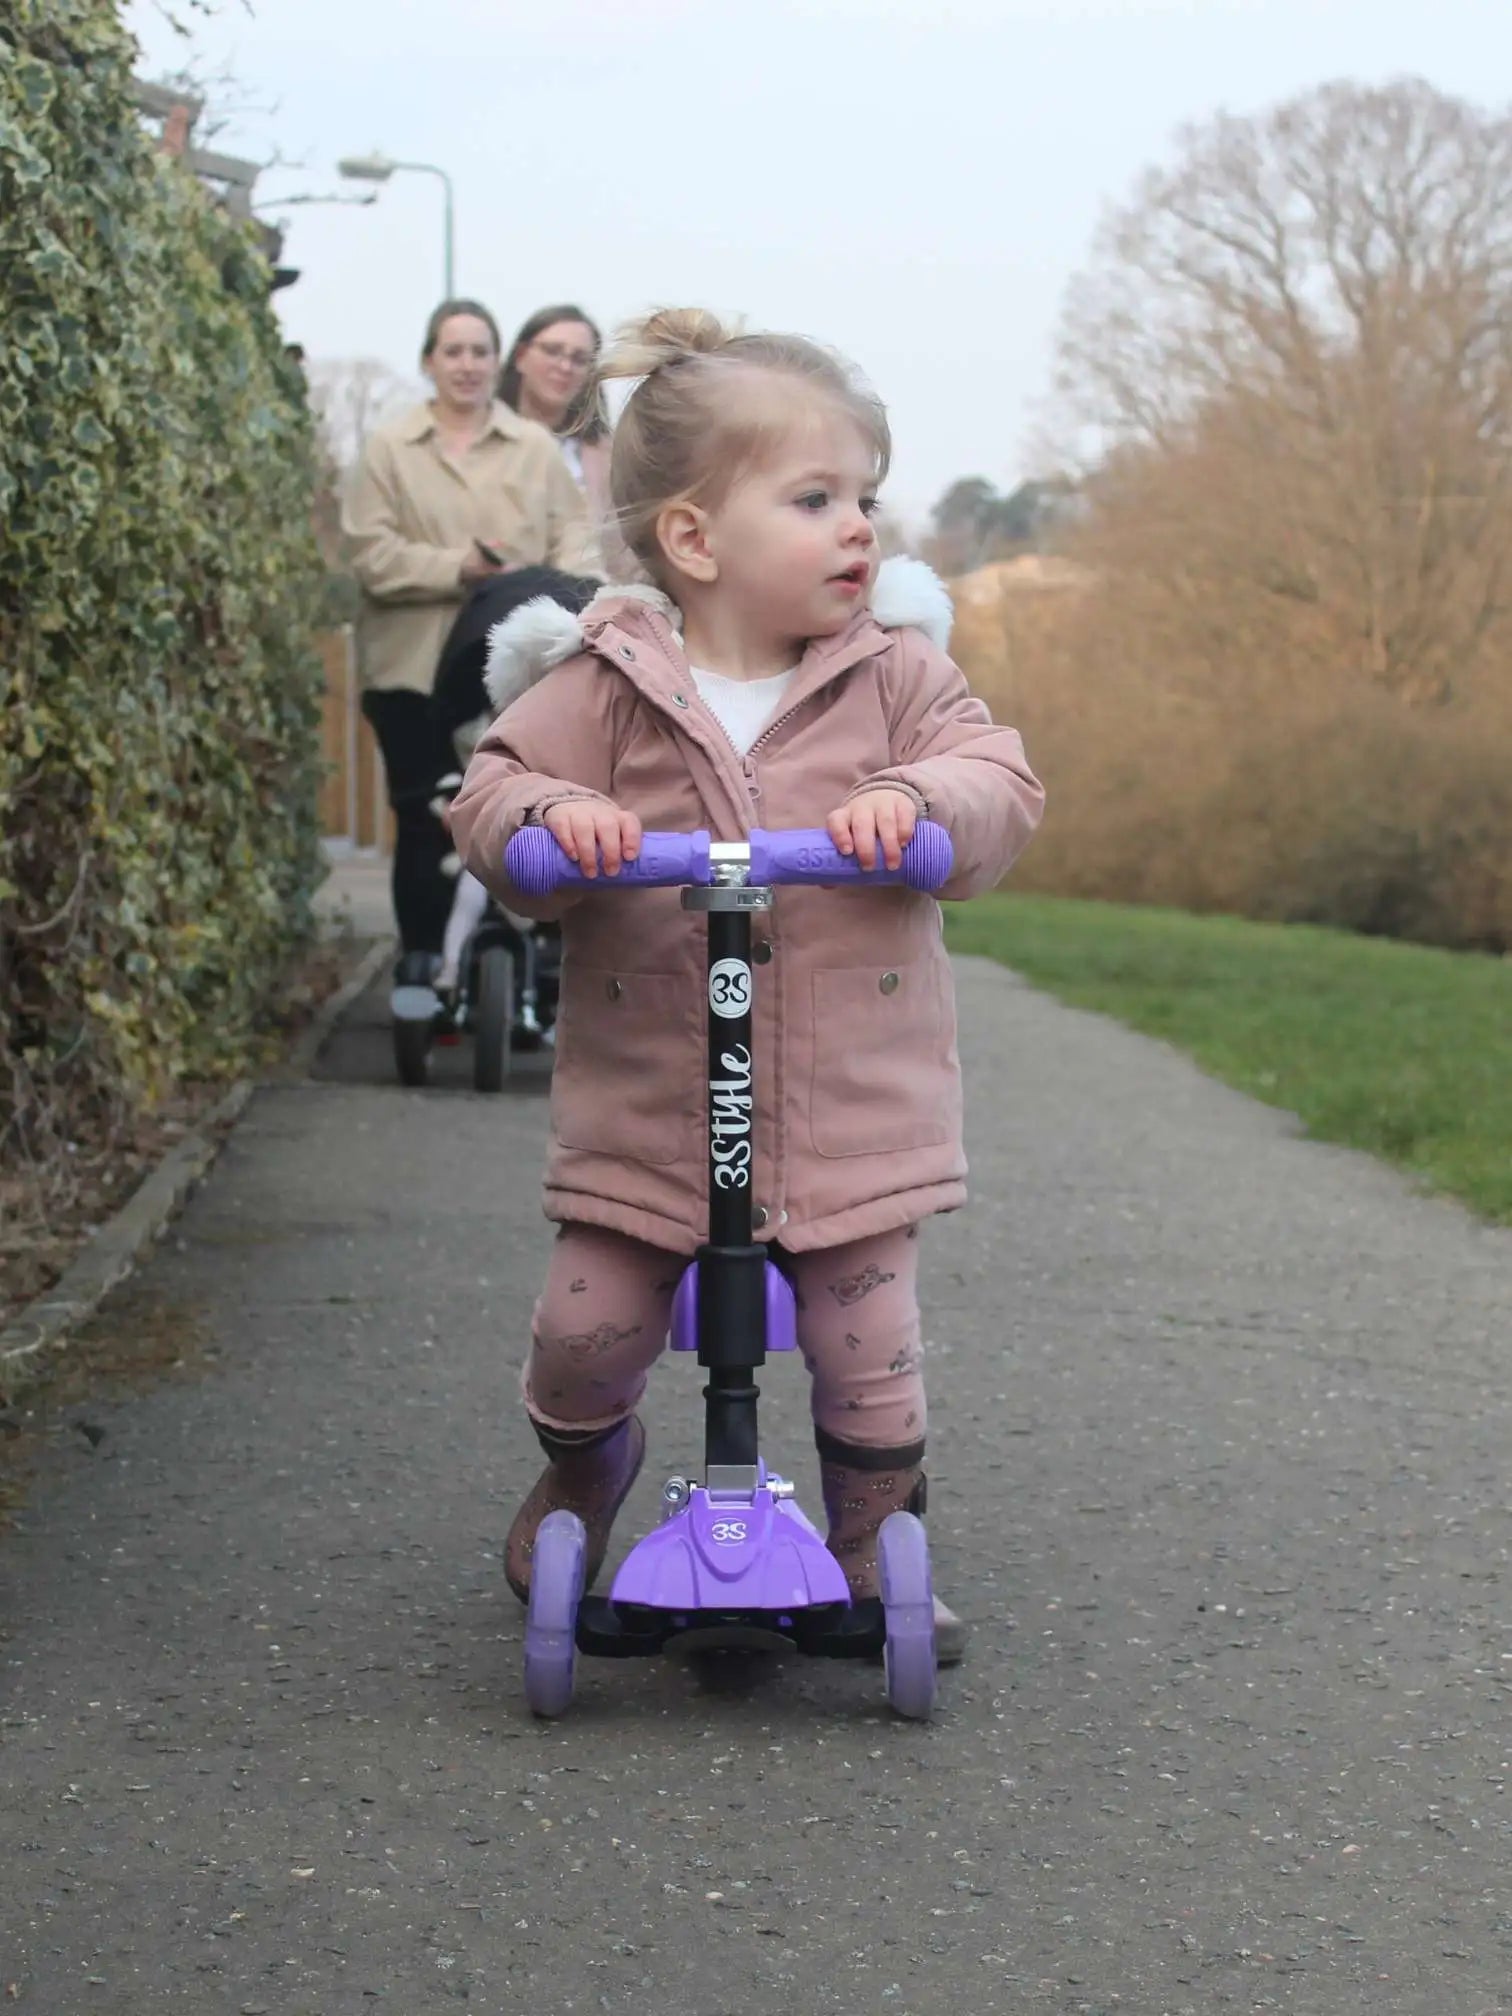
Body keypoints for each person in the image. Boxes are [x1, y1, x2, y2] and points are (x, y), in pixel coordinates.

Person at [448, 309, 1045, 1663]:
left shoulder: (898, 678)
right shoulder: (607, 684)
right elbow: (489, 791)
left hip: (849, 1114)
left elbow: (1000, 781)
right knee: (585, 1329)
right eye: (817, 498)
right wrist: (555, 815)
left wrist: (916, 797)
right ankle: (587, 1474)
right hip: (652, 1110)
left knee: (869, 1352)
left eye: (868, 501)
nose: (861, 531)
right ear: (695, 539)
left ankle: (865, 1543)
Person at [343, 298, 598, 962]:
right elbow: (371, 554)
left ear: (497, 361)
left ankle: (526, 972)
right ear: (430, 361)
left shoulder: (535, 448)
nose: (467, 365)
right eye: (453, 351)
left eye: (479, 351)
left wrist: (546, 586)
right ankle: (421, 969)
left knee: (522, 816)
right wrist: (459, 568)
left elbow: (576, 542)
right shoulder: (388, 448)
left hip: (507, 671)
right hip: (410, 668)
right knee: (424, 824)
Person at [498, 304, 612, 524]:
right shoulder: (482, 440)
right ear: (521, 356)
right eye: (552, 351)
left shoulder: (608, 459)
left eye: (579, 359)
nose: (565, 367)